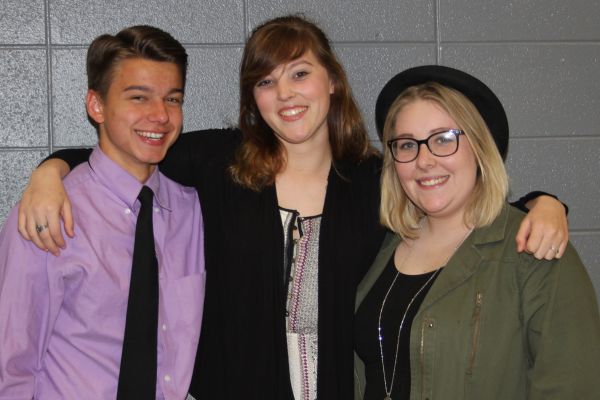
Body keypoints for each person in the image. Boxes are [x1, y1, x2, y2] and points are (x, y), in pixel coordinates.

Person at [16, 17, 568, 399]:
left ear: (331, 80)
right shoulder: (217, 164)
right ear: (252, 99)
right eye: (265, 81)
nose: (285, 94)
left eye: (300, 73)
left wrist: (542, 204)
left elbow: (455, 198)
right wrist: (51, 170)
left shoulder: (375, 179)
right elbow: (131, 148)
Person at [354, 65, 600, 400]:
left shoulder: (533, 252)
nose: (424, 160)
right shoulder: (379, 247)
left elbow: (571, 387)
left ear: (480, 148)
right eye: (407, 144)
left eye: (444, 139)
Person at [0, 26, 205, 399]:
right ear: (96, 105)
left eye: (173, 99)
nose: (160, 115)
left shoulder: (192, 212)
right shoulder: (45, 215)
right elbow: (10, 365)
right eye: (139, 98)